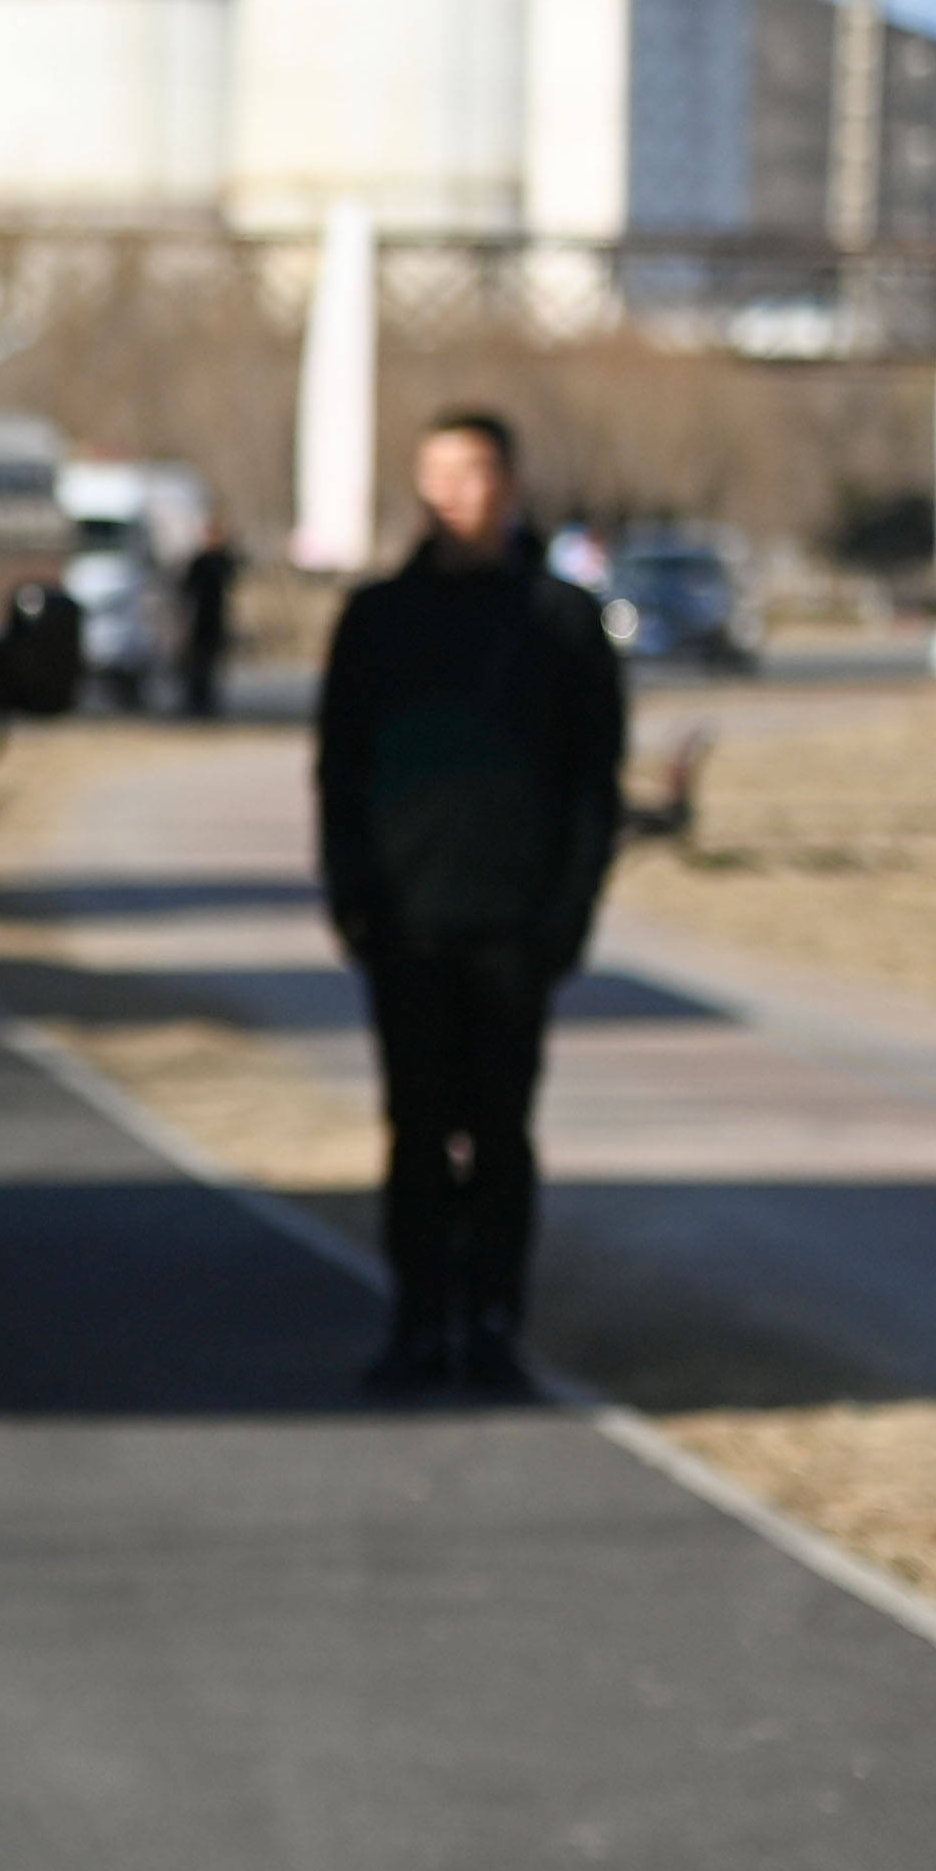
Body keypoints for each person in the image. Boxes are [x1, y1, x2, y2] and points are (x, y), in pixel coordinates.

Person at [314, 410, 624, 1397]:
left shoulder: (560, 622)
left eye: (472, 474)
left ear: (509, 484)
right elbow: (338, 771)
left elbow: (593, 783)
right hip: (404, 920)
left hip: (513, 925)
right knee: (414, 1130)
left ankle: (492, 1324)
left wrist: (566, 914)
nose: (453, 496)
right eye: (434, 476)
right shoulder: (376, 620)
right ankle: (414, 1323)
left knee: (497, 1131)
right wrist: (353, 897)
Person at [174, 518, 241, 721]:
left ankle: (206, 700)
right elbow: (186, 588)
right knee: (196, 663)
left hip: (216, 618)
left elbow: (233, 578)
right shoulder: (200, 561)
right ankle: (195, 699)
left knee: (211, 663)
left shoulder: (222, 560)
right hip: (198, 618)